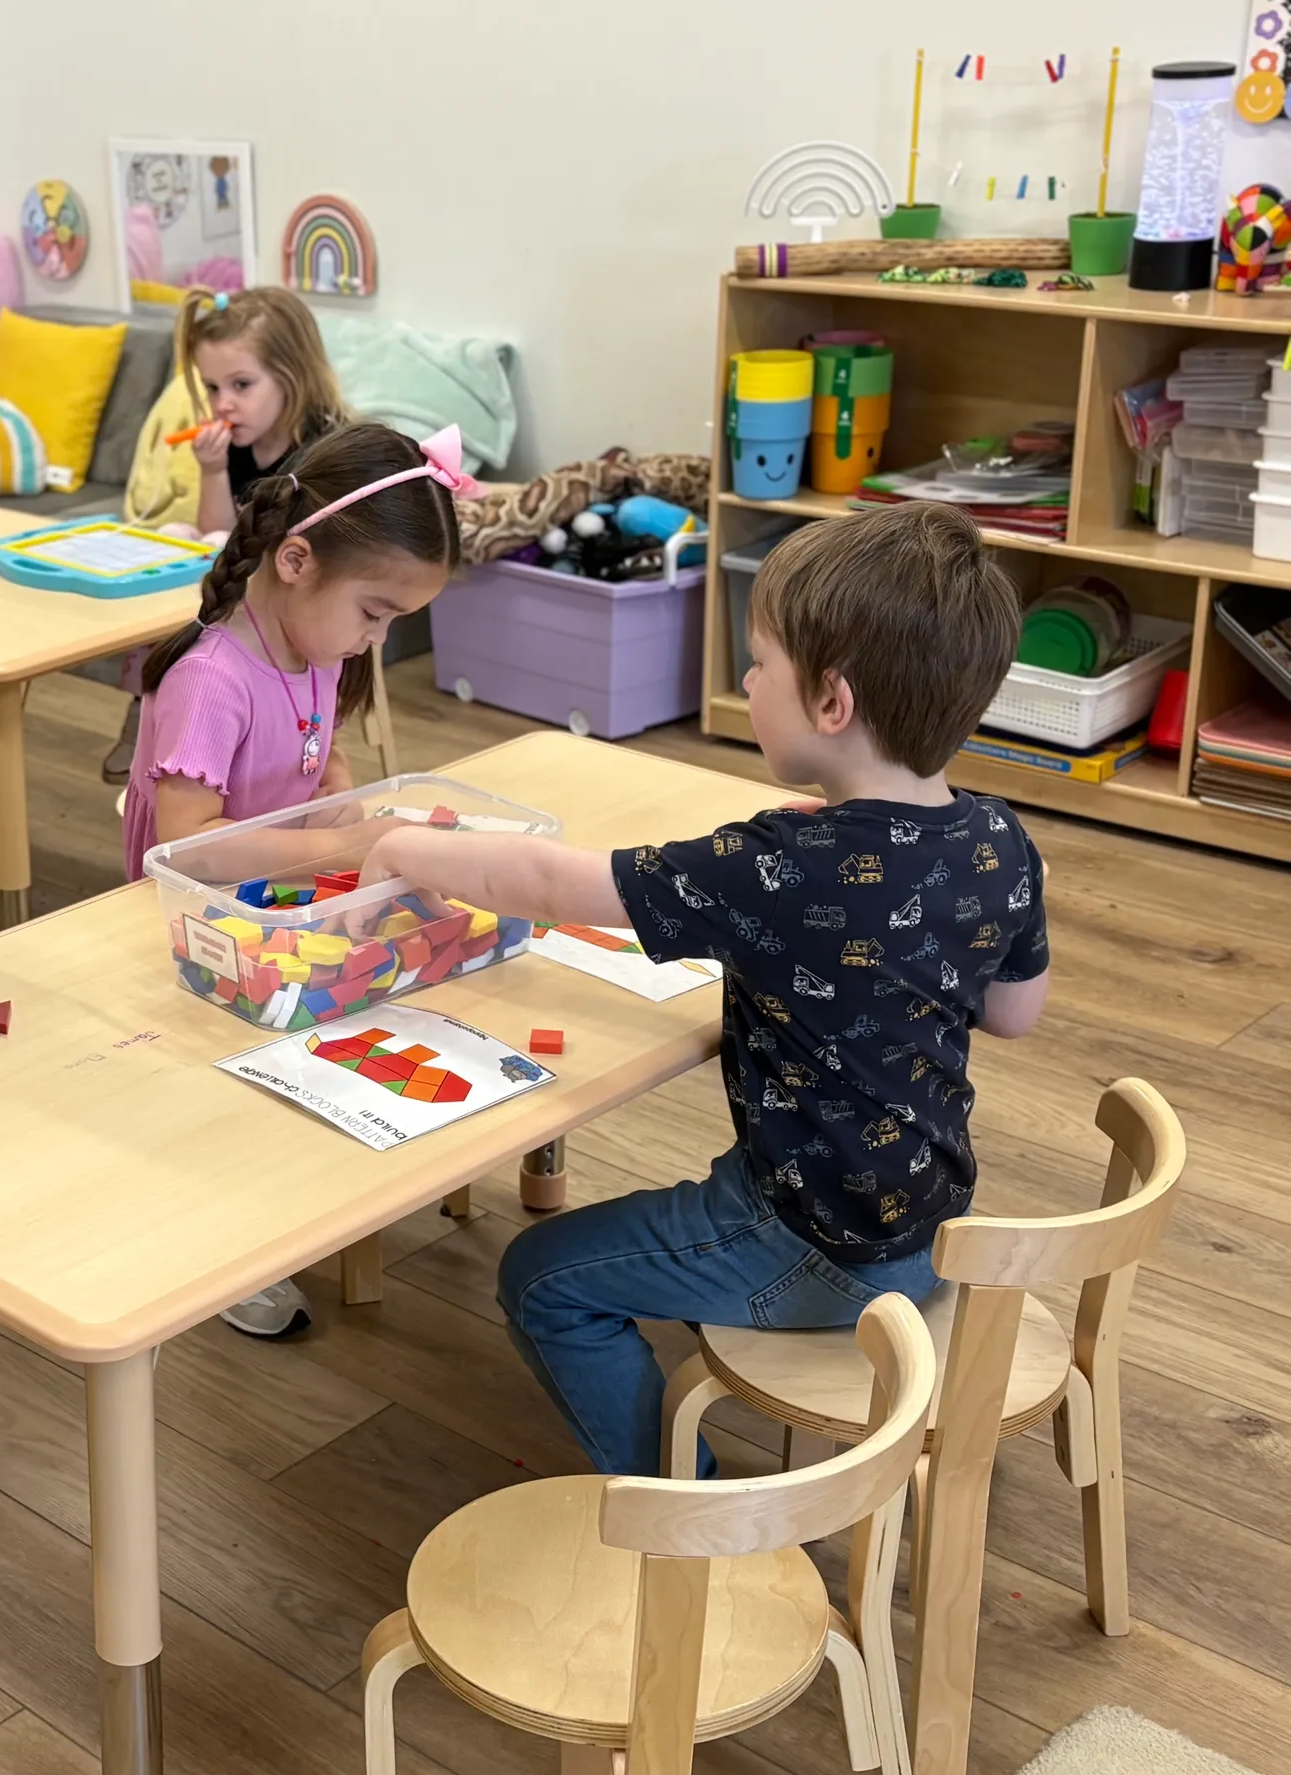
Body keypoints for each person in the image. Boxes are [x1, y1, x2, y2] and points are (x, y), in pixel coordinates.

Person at [357, 502, 1051, 1477]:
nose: (746, 679)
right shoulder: (997, 837)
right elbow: (1016, 1014)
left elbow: (558, 885)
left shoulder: (780, 865)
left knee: (542, 1279)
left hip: (804, 1235)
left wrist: (402, 846)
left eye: (760, 663)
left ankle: (701, 1508)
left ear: (833, 705)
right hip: (928, 1219)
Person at [127, 420, 469, 1337]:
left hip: (270, 910)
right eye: (374, 614)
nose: (373, 642)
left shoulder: (313, 649)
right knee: (218, 1088)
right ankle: (225, 1253)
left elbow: (325, 757)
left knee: (306, 1045)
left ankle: (298, 1205)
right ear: (295, 561)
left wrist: (348, 808)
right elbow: (190, 844)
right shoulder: (213, 680)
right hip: (186, 927)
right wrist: (348, 851)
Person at [102, 285, 347, 783]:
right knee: (176, 534)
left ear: (291, 376)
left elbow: (311, 557)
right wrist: (212, 470)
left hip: (301, 591)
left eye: (241, 385)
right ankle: (147, 700)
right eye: (212, 389)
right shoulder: (238, 441)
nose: (224, 404)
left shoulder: (323, 448)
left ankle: (192, 710)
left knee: (206, 554)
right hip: (243, 581)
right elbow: (219, 533)